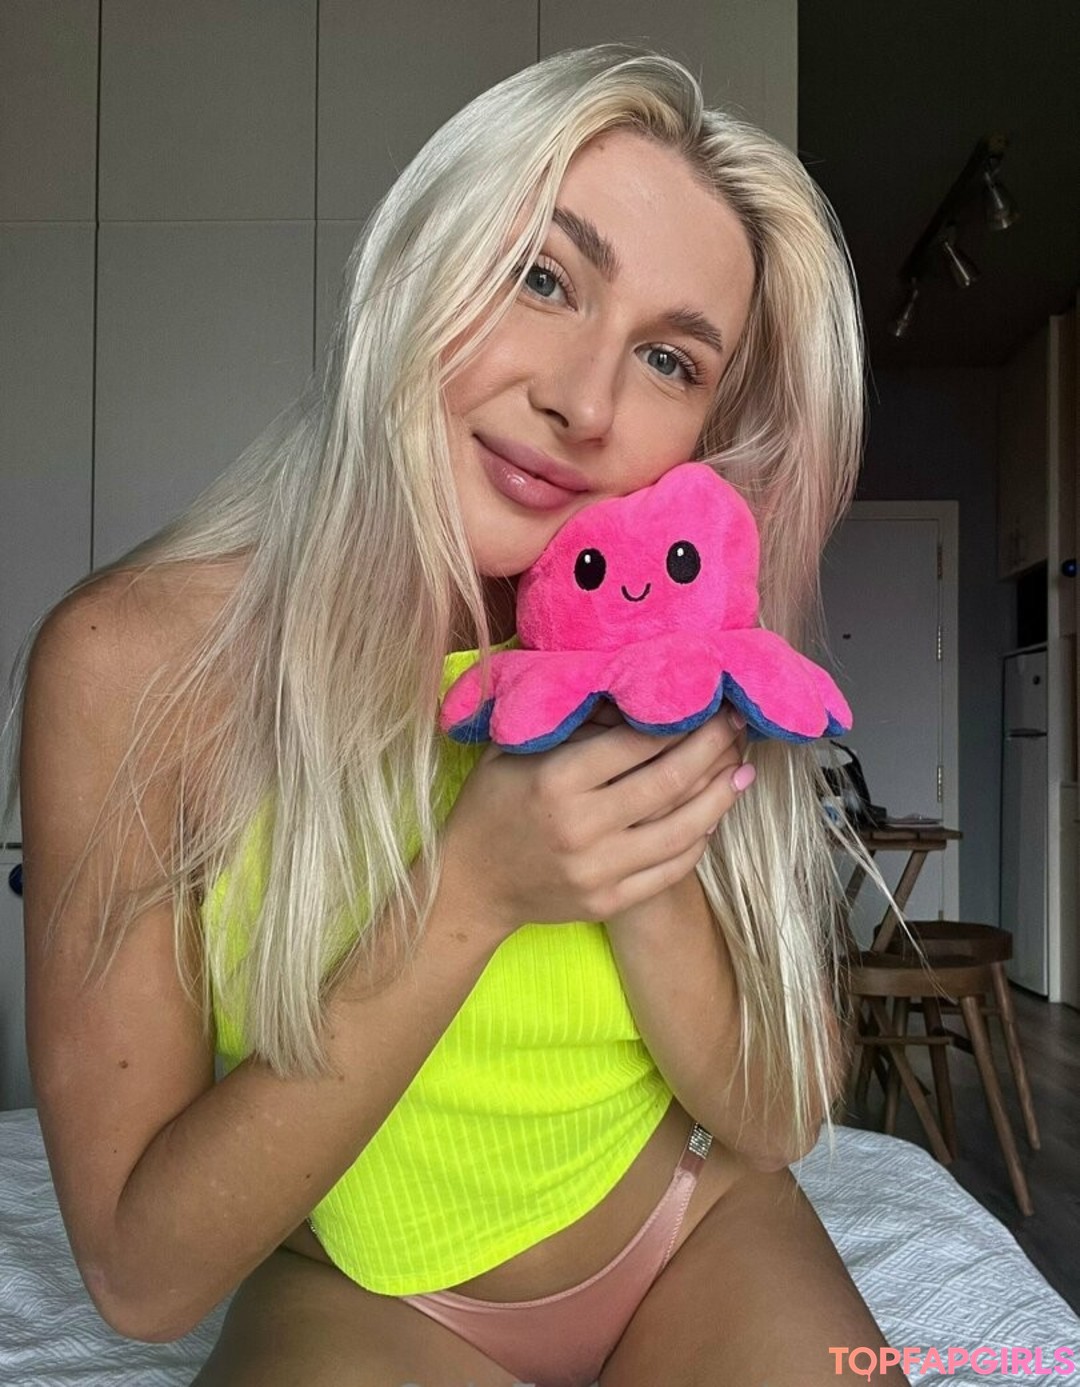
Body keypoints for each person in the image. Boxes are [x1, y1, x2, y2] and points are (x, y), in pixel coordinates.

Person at [11, 44, 908, 1387]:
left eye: (669, 359)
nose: (584, 403)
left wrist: (633, 859)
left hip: (693, 1228)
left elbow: (777, 1120)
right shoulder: (133, 665)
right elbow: (145, 1278)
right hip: (371, 1296)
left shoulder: (681, 665)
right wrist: (475, 885)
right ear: (419, 264)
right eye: (544, 278)